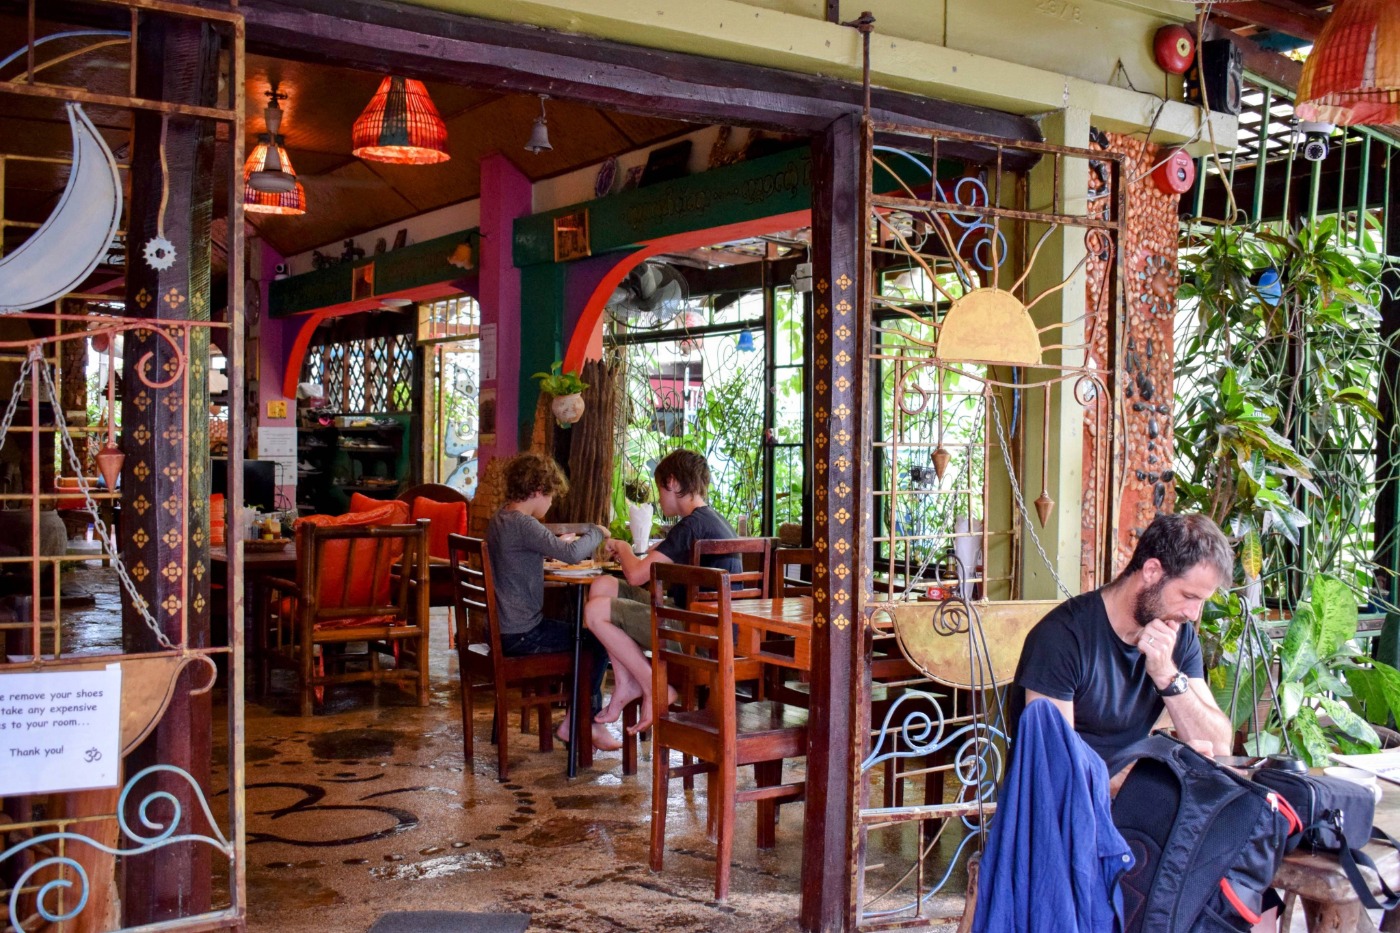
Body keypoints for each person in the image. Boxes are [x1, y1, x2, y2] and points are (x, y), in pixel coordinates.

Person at [1013, 512, 1234, 779]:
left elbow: (1219, 748)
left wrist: (1167, 676)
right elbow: (1055, 771)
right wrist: (1149, 778)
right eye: (1189, 596)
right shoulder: (1062, 637)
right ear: (1152, 571)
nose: (1194, 614)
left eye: (1202, 601)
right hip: (1069, 813)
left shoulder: (1177, 635)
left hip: (1134, 810)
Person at [584, 449, 740, 733]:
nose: (658, 497)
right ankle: (626, 683)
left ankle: (653, 685)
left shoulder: (691, 527)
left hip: (699, 636)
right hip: (704, 626)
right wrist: (631, 551)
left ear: (673, 483)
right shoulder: (708, 521)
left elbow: (636, 575)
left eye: (659, 489)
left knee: (595, 611)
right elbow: (651, 559)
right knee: (602, 585)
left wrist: (623, 547)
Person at [486, 452, 620, 751]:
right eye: (550, 496)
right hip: (523, 634)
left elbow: (525, 553)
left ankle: (578, 716)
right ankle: (587, 722)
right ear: (537, 491)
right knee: (597, 640)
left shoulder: (500, 518)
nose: (551, 503)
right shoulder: (523, 523)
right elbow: (572, 555)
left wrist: (551, 548)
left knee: (581, 635)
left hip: (504, 630)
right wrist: (597, 531)